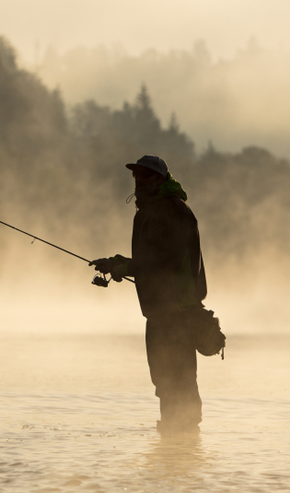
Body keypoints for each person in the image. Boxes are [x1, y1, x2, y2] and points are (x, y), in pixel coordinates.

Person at [90, 155, 218, 435]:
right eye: (135, 176)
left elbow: (165, 261)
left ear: (160, 179)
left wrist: (124, 266)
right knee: (164, 379)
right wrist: (116, 263)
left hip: (178, 310)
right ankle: (173, 442)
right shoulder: (149, 211)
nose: (138, 181)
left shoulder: (173, 211)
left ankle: (183, 439)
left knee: (179, 379)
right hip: (159, 311)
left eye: (145, 176)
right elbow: (150, 260)